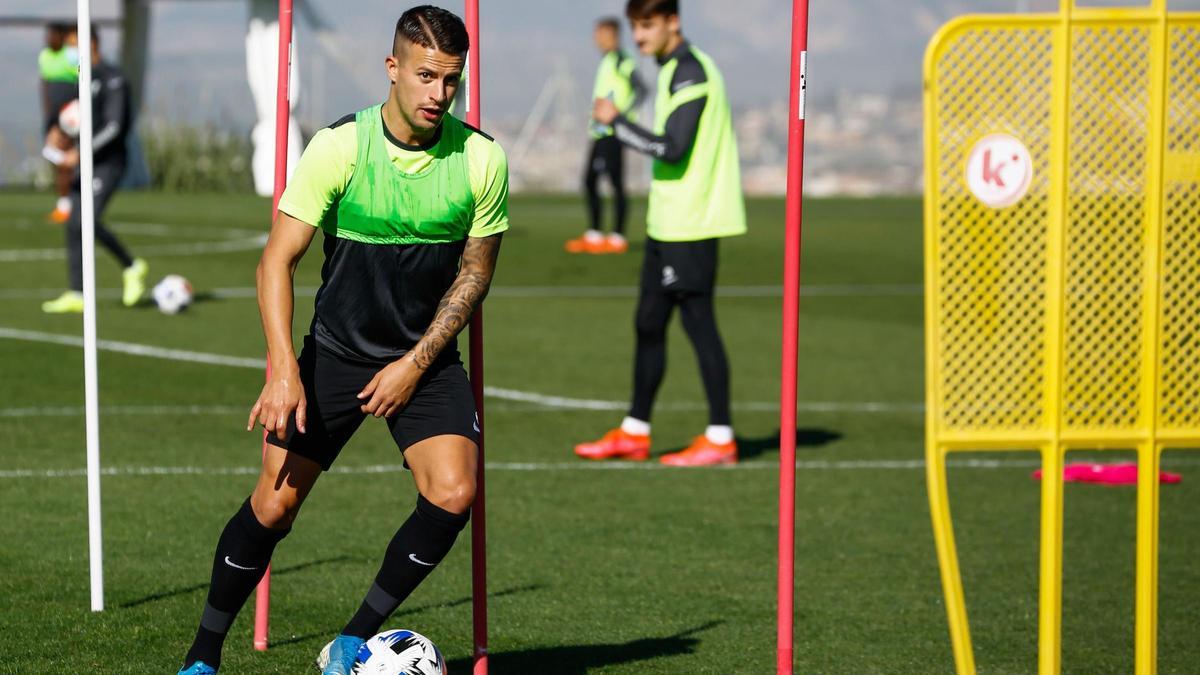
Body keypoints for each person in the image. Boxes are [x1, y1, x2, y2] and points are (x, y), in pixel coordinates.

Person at [177, 6, 508, 674]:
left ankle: (353, 642)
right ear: (392, 68)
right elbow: (276, 260)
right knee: (274, 504)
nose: (438, 95)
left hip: (425, 358)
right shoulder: (339, 147)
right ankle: (203, 655)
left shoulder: (482, 159)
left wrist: (415, 366)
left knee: (453, 491)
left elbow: (474, 274)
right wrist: (282, 371)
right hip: (334, 354)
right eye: (424, 76)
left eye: (451, 80)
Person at [574, 0, 746, 466]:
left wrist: (617, 123)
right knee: (648, 322)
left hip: (691, 225)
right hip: (667, 222)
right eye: (635, 26)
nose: (640, 36)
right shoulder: (671, 67)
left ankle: (720, 436)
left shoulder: (691, 70)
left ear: (673, 22)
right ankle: (635, 431)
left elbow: (671, 147)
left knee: (698, 325)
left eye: (647, 26)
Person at [42, 26, 148, 314]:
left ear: (92, 43)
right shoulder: (81, 77)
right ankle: (77, 292)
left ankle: (132, 266)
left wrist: (81, 152)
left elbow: (114, 127)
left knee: (86, 219)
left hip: (108, 162)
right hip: (86, 161)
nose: (70, 52)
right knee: (74, 221)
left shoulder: (113, 78)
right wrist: (58, 133)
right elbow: (74, 118)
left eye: (74, 45)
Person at [565, 17, 645, 255]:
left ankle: (618, 237)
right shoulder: (608, 60)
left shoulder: (621, 59)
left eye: (601, 34)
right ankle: (595, 234)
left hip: (612, 132)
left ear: (613, 35)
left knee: (615, 182)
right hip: (599, 131)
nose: (596, 39)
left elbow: (641, 89)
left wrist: (620, 115)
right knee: (590, 181)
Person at [39, 22, 78, 224]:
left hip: (70, 119)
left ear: (61, 37)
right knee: (56, 159)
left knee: (66, 163)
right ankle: (65, 203)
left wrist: (76, 111)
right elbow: (45, 85)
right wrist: (48, 114)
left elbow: (83, 77)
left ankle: (67, 205)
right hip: (53, 118)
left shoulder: (71, 56)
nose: (48, 38)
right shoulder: (44, 56)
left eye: (53, 34)